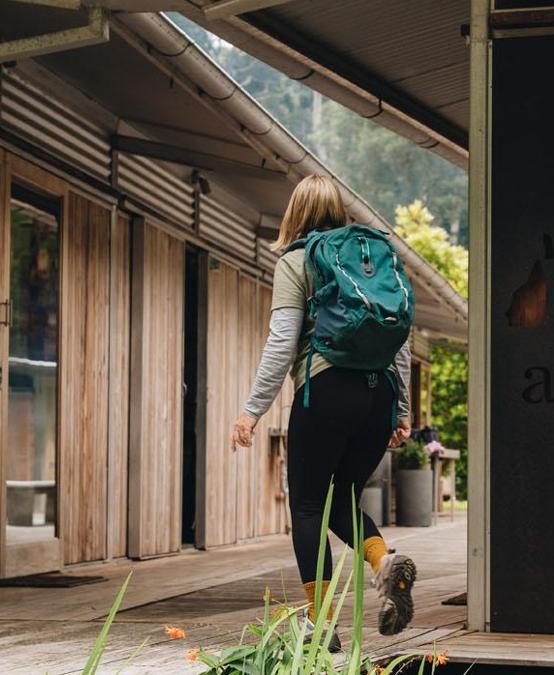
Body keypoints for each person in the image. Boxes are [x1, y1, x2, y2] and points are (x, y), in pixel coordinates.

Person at [231, 175, 417, 651]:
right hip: (377, 395)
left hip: (327, 391)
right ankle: (383, 562)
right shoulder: (374, 260)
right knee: (341, 501)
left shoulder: (297, 261)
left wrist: (251, 410)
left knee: (309, 504)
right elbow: (400, 339)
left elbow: (282, 343)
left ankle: (321, 624)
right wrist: (400, 409)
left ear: (294, 214)